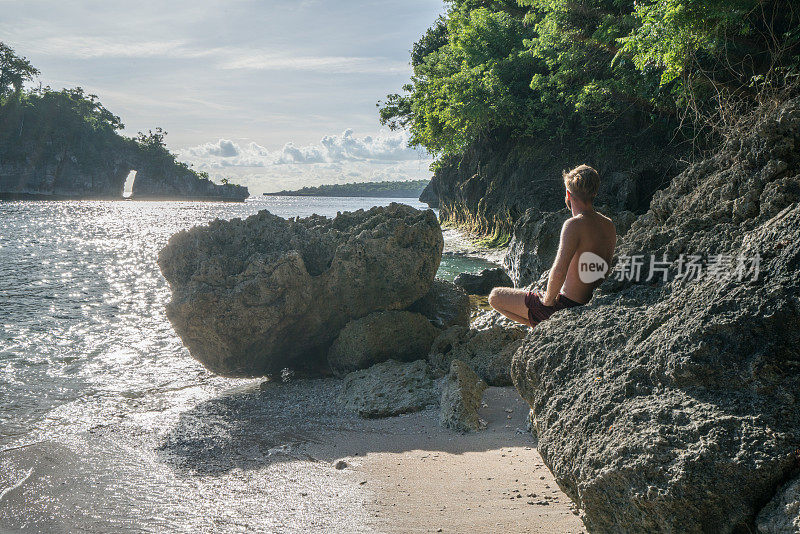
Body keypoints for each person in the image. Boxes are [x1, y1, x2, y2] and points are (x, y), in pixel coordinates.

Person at [488, 164, 616, 328]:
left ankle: (543, 328)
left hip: (566, 307)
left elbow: (560, 271)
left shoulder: (574, 225)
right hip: (591, 302)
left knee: (495, 296)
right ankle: (542, 327)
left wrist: (547, 300)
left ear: (568, 195)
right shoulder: (609, 225)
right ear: (594, 192)